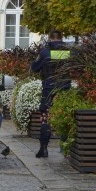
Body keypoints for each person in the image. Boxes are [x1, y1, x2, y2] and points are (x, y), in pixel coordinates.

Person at [30, 29, 71, 158]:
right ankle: (64, 148)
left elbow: (35, 68)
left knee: (45, 118)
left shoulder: (45, 52)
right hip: (65, 89)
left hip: (49, 89)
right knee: (64, 117)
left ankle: (44, 149)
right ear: (61, 37)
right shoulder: (69, 52)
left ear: (50, 38)